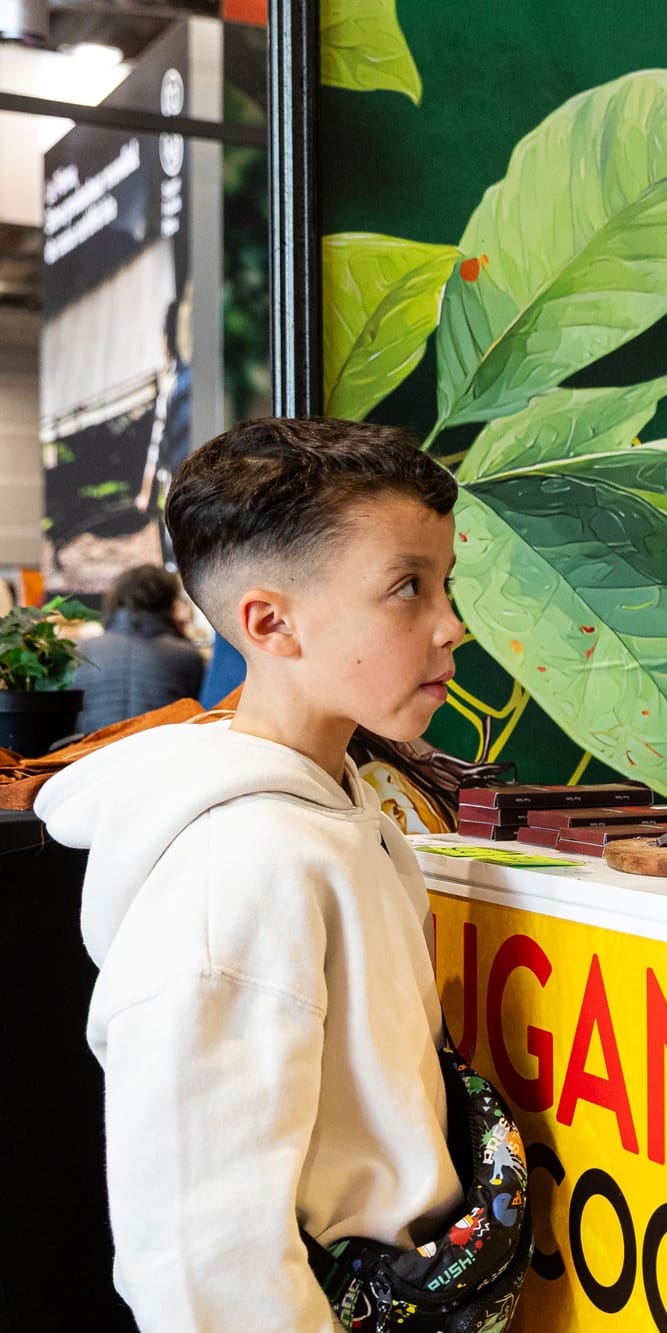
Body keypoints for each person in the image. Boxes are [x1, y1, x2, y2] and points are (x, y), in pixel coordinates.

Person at [37, 418, 469, 1329]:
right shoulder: (237, 864)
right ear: (269, 622)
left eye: (445, 582)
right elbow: (201, 1258)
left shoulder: (343, 803)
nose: (450, 623)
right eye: (406, 589)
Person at [71, 564, 206, 736]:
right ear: (170, 602)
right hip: (162, 757)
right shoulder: (186, 655)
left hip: (90, 757)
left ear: (116, 599)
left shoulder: (83, 650)